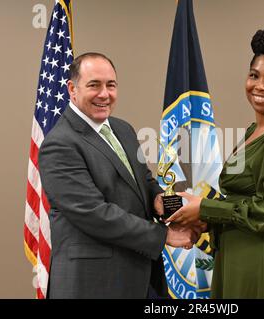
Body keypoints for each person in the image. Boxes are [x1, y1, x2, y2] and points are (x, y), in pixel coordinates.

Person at [165, 26, 264, 298]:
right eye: (253, 75)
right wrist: (203, 217)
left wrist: (206, 209)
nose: (259, 86)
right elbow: (240, 201)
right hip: (240, 258)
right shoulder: (253, 131)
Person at [38, 52, 198, 299]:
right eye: (94, 85)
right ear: (72, 89)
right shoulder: (60, 144)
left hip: (141, 276)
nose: (105, 94)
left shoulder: (122, 129)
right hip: (93, 284)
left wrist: (165, 204)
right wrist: (164, 234)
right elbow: (93, 213)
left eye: (110, 85)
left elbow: (143, 182)